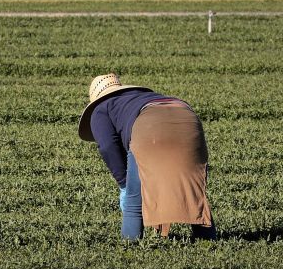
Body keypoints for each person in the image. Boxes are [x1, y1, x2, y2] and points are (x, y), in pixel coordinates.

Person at [78, 73, 215, 240]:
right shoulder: (141, 97)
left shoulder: (100, 108)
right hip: (187, 117)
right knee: (192, 190)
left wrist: (123, 184)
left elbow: (107, 146)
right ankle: (208, 240)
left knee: (133, 199)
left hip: (149, 126)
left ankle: (130, 246)